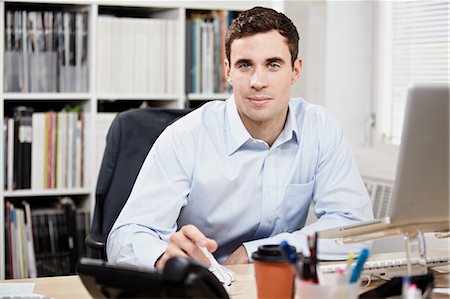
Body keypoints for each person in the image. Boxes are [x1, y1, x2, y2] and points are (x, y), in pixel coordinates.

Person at [107, 6, 373, 270]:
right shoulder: (186, 137)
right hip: (205, 284)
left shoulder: (321, 128)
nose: (258, 81)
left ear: (296, 70)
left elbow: (354, 227)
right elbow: (125, 238)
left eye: (273, 65)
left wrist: (256, 252)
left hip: (279, 281)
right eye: (245, 65)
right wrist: (164, 257)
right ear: (228, 71)